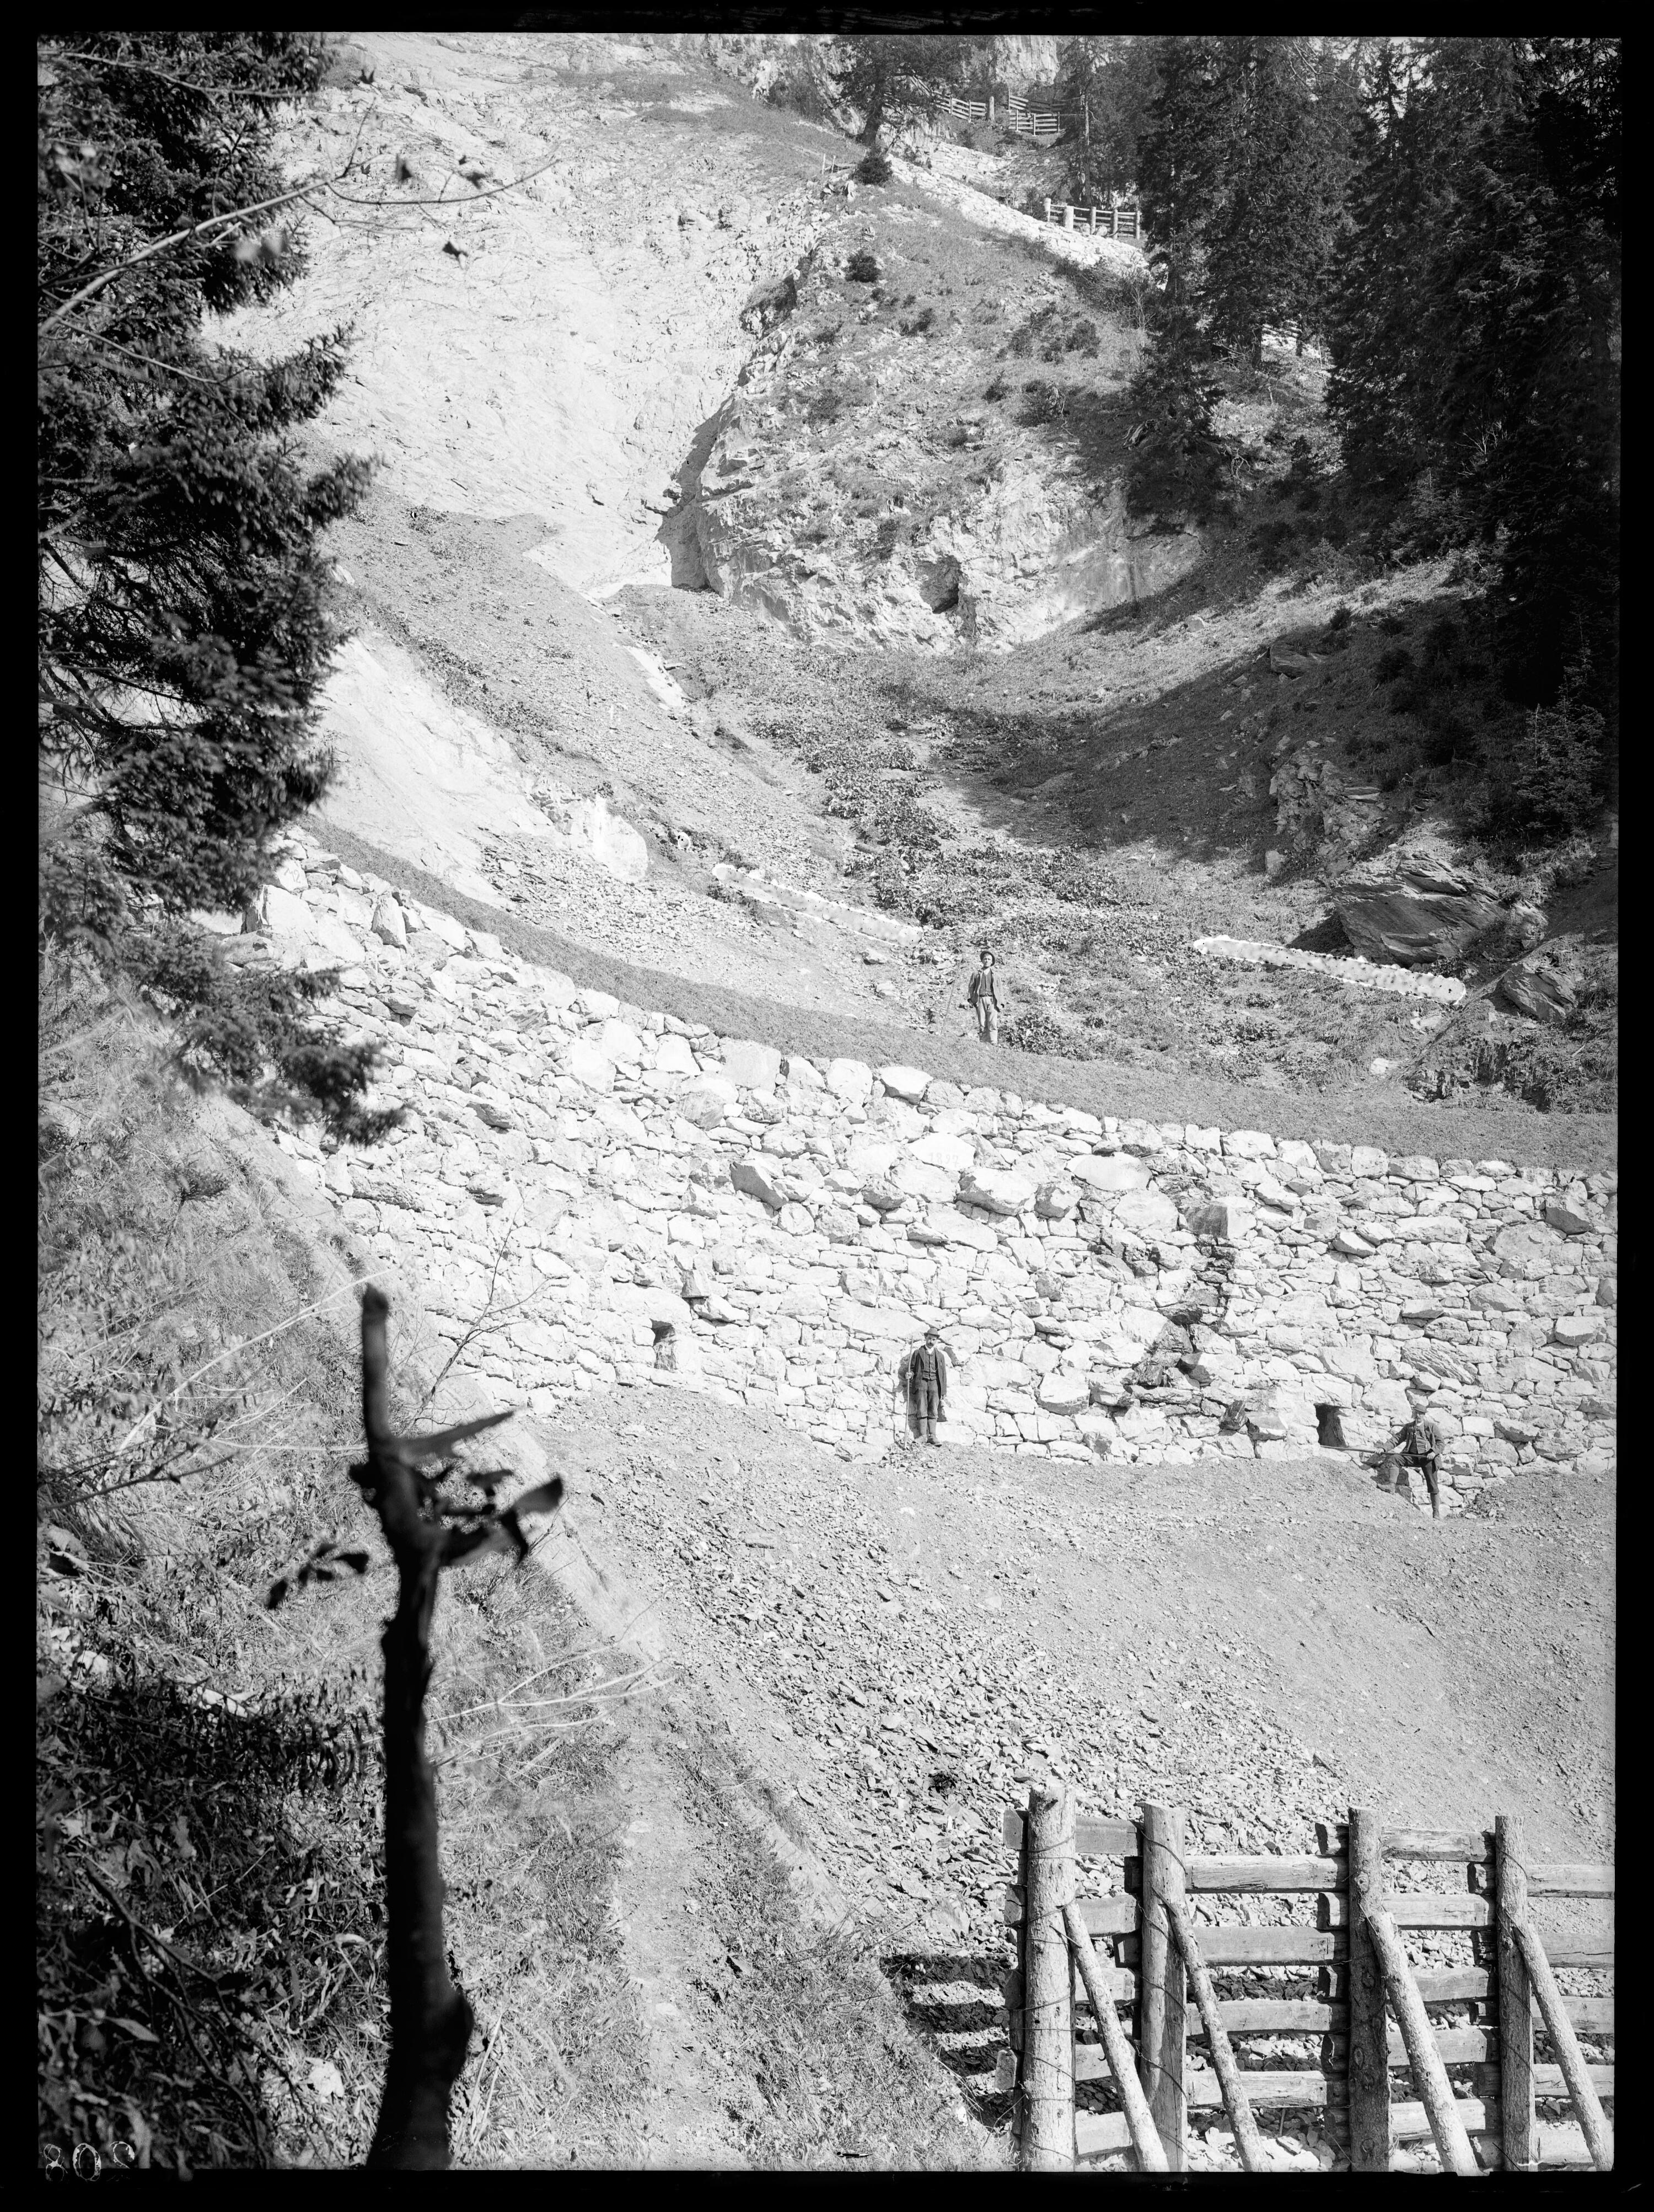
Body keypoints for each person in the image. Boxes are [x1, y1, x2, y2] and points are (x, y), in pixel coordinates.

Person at [1389, 1392, 1443, 1518]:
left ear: (1424, 1415)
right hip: (1412, 1456)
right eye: (1416, 1413)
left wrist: (1433, 1452)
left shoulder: (1431, 1427)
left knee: (1433, 1485)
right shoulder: (1408, 1427)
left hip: (1428, 1459)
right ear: (1414, 1414)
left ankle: (1436, 1512)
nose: (1418, 1415)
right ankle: (1391, 1486)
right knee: (1394, 1458)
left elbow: (1441, 1443)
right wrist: (1383, 1448)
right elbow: (1396, 1439)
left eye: (1421, 1413)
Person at [902, 1326, 949, 1446]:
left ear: (936, 1341)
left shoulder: (940, 1356)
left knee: (934, 1409)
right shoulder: (918, 1353)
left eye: (934, 1339)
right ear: (925, 1338)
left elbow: (943, 1374)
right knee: (922, 1408)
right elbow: (912, 1369)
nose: (931, 1341)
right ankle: (923, 1436)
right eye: (929, 1339)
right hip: (921, 1383)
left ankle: (933, 1436)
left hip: (935, 1384)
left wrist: (943, 1391)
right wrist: (910, 1374)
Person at [965, 949, 1002, 1045]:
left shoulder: (996, 976)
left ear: (992, 962)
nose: (987, 961)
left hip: (992, 1000)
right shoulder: (976, 974)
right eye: (985, 959)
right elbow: (971, 987)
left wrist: (1001, 1003)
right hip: (980, 1000)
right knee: (982, 1023)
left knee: (993, 1022)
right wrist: (971, 999)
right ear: (982, 961)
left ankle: (994, 1042)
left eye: (989, 959)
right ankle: (984, 1042)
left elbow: (1000, 990)